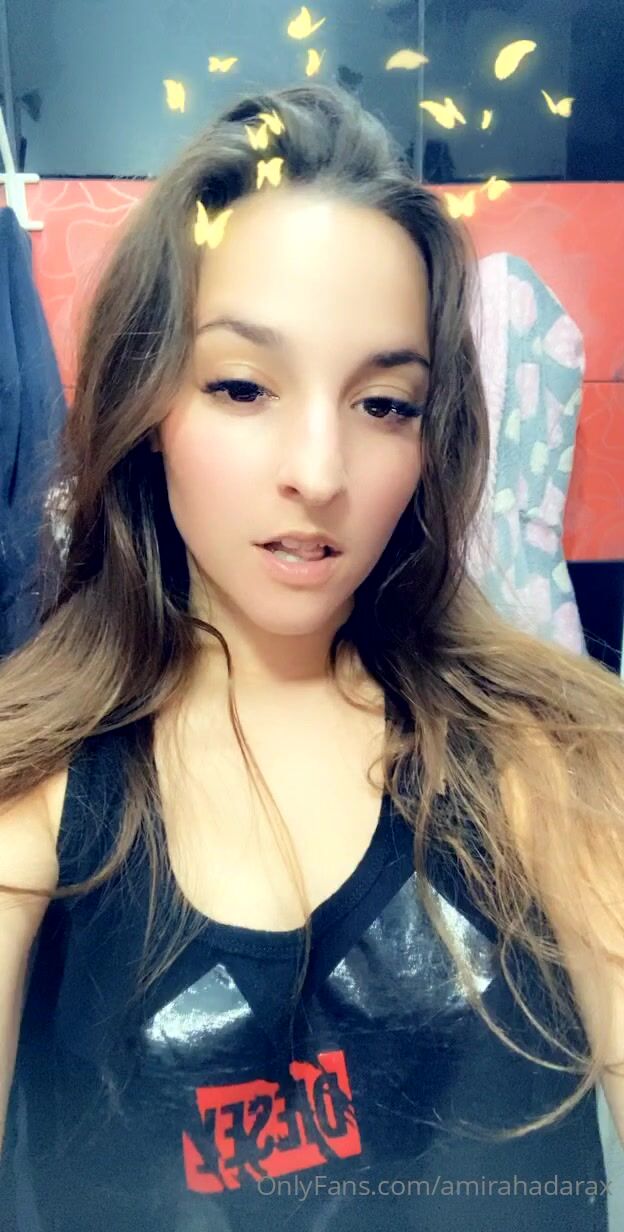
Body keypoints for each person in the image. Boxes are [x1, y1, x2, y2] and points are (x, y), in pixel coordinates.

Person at [0, 82, 623, 1232]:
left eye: (385, 404)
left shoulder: (557, 762)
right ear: (149, 405)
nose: (321, 470)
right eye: (243, 386)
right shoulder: (29, 794)